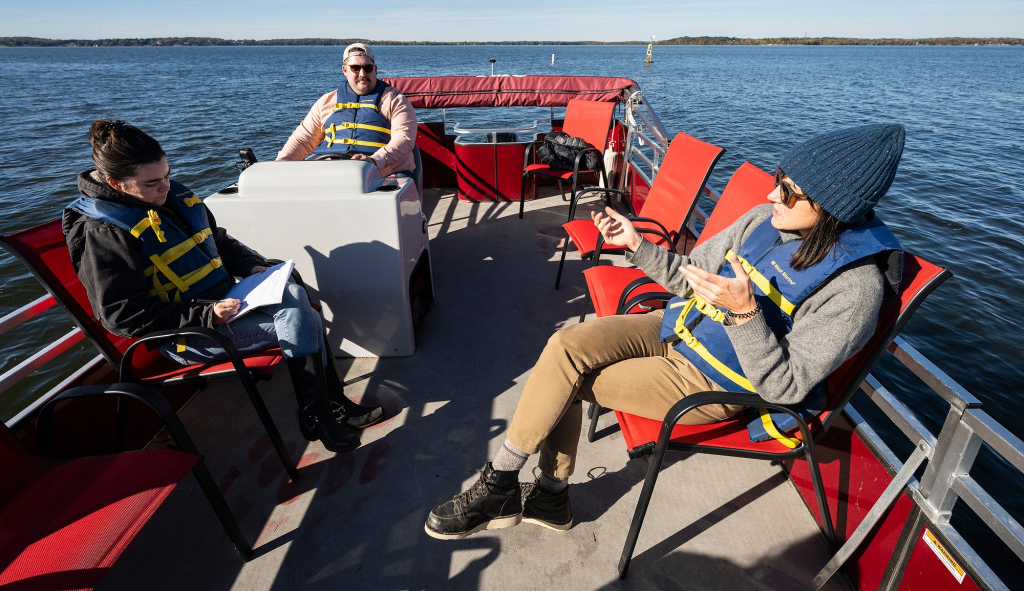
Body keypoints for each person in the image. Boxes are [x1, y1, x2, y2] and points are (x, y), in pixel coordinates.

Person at [424, 123, 906, 539]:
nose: (770, 195)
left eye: (789, 191)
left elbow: (786, 387)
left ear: (834, 206)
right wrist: (635, 243)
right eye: (779, 179)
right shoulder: (763, 220)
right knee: (565, 346)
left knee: (564, 381)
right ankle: (519, 488)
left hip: (714, 383)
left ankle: (529, 492)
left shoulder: (855, 289)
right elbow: (689, 274)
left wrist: (744, 315)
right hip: (676, 327)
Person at [64, 119, 385, 453]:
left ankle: (321, 410)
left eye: (167, 176)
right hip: (188, 336)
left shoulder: (168, 199)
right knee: (305, 314)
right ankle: (322, 410)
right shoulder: (102, 233)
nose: (165, 188)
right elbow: (122, 317)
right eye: (152, 183)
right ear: (116, 184)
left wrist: (252, 266)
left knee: (293, 293)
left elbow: (218, 242)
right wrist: (206, 314)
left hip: (228, 306)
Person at [276, 43, 418, 178]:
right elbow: (303, 140)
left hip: (382, 173)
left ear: (375, 70)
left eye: (367, 68)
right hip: (331, 172)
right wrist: (279, 165)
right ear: (345, 70)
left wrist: (375, 161)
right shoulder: (326, 101)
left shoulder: (394, 100)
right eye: (355, 68)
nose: (362, 73)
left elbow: (404, 139)